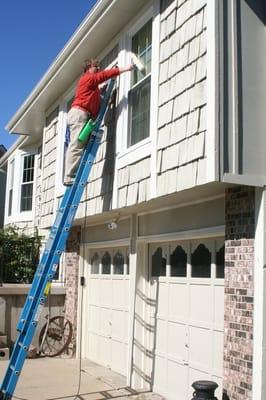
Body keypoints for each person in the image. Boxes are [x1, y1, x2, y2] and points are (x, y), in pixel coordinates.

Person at [64, 59, 133, 185]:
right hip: (79, 114)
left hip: (83, 115)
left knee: (80, 145)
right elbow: (103, 76)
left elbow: (95, 98)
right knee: (76, 145)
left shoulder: (92, 86)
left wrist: (102, 91)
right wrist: (125, 68)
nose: (98, 68)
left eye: (99, 67)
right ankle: (69, 177)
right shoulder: (87, 78)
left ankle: (73, 173)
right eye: (96, 67)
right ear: (88, 68)